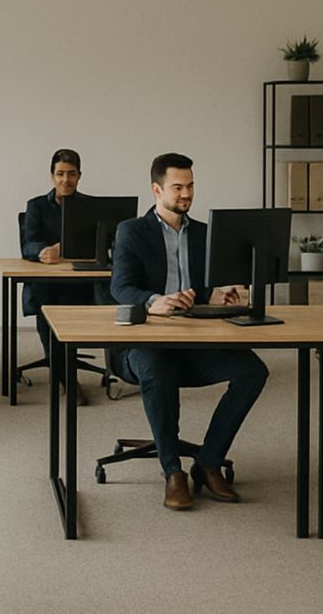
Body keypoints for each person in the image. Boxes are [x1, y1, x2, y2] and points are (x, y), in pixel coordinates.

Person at [110, 153, 269, 511]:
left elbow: (202, 287)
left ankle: (209, 461)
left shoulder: (204, 234)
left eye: (191, 186)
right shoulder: (132, 231)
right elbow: (120, 288)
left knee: (253, 371)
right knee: (156, 369)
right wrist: (154, 300)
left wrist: (217, 293)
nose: (187, 194)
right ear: (157, 189)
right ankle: (173, 472)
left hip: (195, 338)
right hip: (147, 341)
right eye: (178, 187)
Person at [22, 149, 98, 405]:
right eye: (60, 173)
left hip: (77, 280)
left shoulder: (88, 206)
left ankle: (65, 371)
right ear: (52, 176)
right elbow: (27, 244)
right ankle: (68, 379)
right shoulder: (36, 206)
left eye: (72, 174)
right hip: (46, 279)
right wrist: (42, 251)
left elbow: (99, 243)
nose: (66, 179)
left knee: (82, 302)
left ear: (79, 176)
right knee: (47, 306)